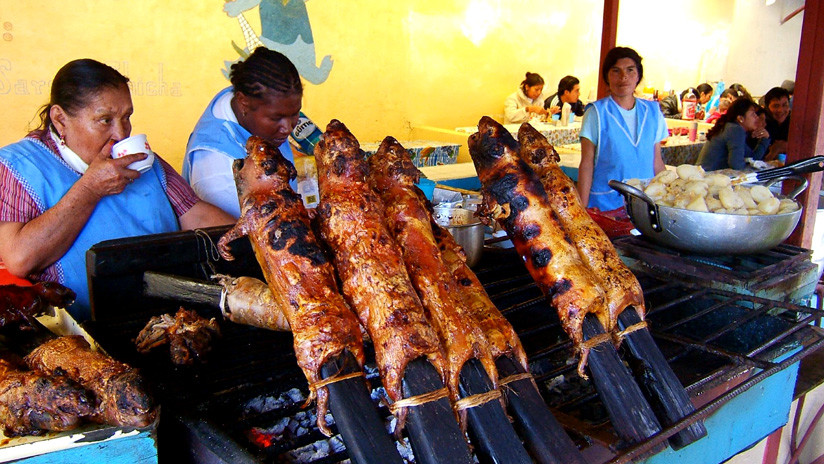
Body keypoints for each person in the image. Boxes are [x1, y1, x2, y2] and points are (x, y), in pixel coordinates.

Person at [0, 59, 234, 319]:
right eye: (104, 120)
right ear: (60, 119)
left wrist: (256, 239)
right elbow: (19, 259)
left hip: (168, 315)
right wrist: (90, 189)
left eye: (126, 117)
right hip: (85, 329)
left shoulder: (142, 159)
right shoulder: (20, 165)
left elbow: (196, 215)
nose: (121, 133)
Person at [184, 47, 303, 218]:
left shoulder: (265, 104)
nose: (288, 127)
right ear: (243, 102)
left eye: (294, 113)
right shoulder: (215, 168)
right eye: (276, 118)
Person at [578, 47, 668, 211]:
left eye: (630, 70)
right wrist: (582, 210)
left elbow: (657, 161)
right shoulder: (596, 113)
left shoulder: (653, 112)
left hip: (646, 203)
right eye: (616, 71)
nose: (623, 77)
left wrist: (668, 200)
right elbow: (586, 163)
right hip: (606, 205)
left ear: (638, 76)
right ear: (607, 76)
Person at [696, 98, 770, 171]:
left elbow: (752, 158)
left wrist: (765, 138)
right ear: (740, 118)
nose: (756, 117)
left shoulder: (734, 128)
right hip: (707, 176)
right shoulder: (735, 129)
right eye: (752, 114)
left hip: (709, 175)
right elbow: (736, 165)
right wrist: (748, 163)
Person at [762, 86, 791, 161]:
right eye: (776, 106)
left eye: (784, 105)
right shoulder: (762, 124)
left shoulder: (794, 123)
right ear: (767, 107)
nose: (780, 110)